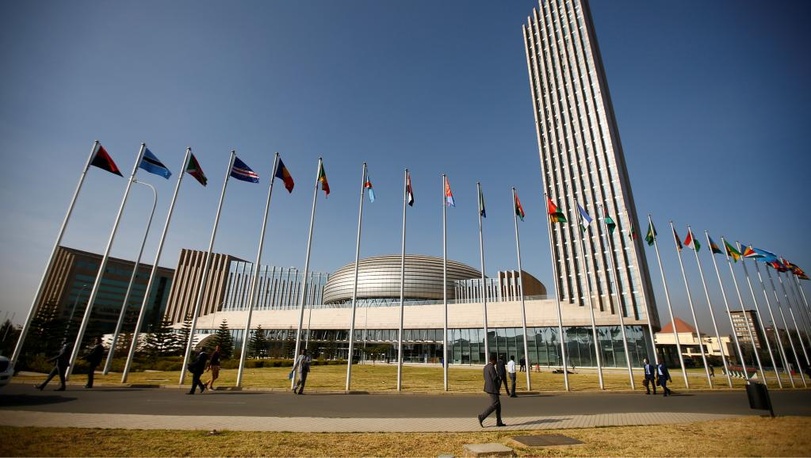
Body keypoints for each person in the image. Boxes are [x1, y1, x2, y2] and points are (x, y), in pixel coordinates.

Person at [477, 354, 506, 427]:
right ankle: (482, 416)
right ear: (493, 360)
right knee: (495, 404)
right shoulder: (491, 367)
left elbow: (485, 376)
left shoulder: (486, 367)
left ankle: (499, 421)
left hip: (488, 387)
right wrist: (499, 378)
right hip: (493, 388)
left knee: (498, 405)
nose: (496, 363)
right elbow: (494, 378)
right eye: (495, 361)